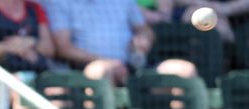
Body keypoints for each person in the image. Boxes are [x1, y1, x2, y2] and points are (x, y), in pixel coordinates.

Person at [44, 0, 197, 86]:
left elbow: (145, 30)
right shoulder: (57, 2)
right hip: (86, 70)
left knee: (185, 71)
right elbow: (64, 48)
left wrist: (144, 39)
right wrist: (108, 62)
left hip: (134, 66)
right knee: (102, 70)